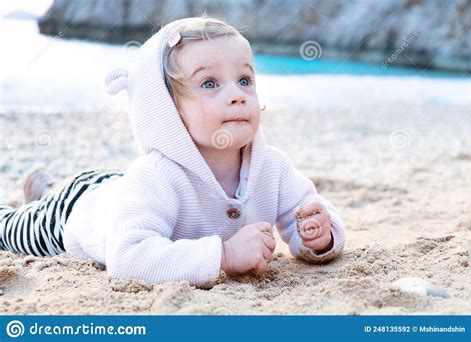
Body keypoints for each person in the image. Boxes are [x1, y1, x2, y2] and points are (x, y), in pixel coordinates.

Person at [0, 17, 346, 287]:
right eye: (209, 84)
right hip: (77, 210)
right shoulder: (155, 176)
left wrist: (318, 233)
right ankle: (47, 196)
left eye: (244, 80)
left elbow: (305, 213)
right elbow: (128, 258)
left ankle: (43, 188)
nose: (237, 94)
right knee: (11, 229)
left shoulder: (273, 167)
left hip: (122, 191)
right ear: (169, 110)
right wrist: (224, 254)